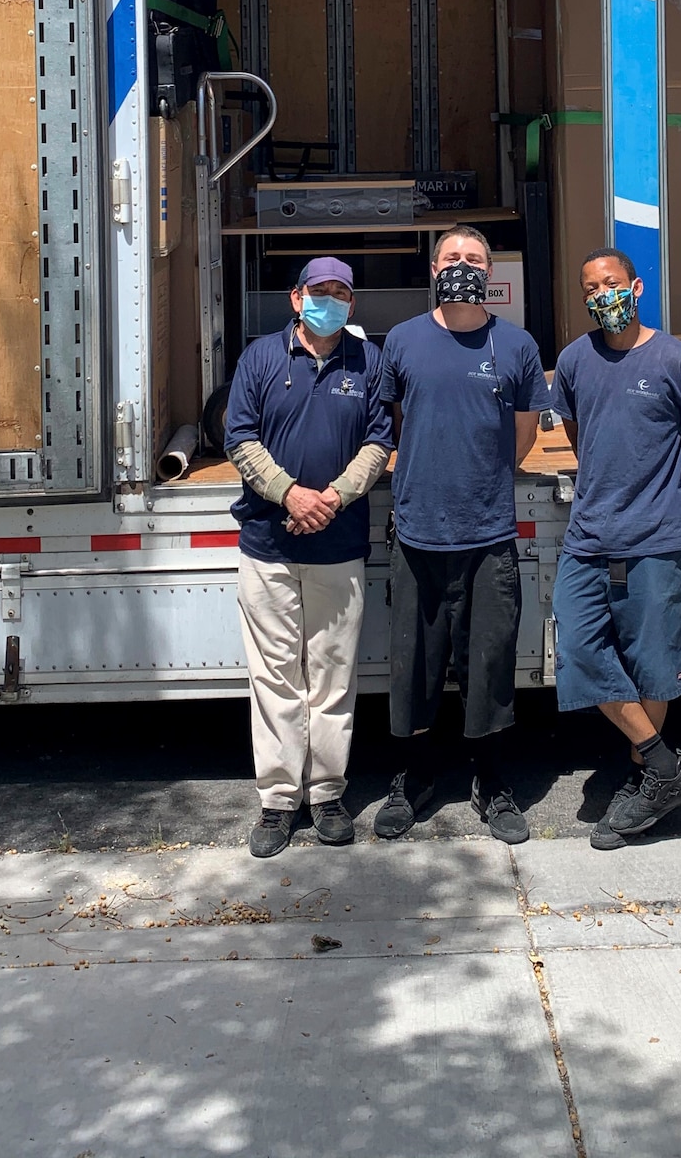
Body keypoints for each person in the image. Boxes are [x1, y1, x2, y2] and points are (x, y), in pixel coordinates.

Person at [374, 224, 548, 845]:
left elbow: (525, 435)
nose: (462, 267)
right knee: (414, 666)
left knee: (490, 664)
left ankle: (491, 780)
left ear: (490, 271)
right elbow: (396, 424)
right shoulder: (403, 341)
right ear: (434, 268)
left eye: (474, 259)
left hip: (489, 533)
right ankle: (414, 777)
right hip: (418, 533)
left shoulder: (519, 345)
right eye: (452, 258)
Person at [552, 249, 681, 850]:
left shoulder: (676, 359)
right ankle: (666, 767)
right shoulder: (574, 360)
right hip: (589, 534)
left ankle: (644, 787)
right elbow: (578, 433)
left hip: (657, 537)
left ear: (636, 286)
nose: (602, 295)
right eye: (591, 287)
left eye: (612, 284)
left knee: (653, 663)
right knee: (575, 644)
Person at [225, 256, 393, 858]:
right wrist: (290, 494)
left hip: (338, 546)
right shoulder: (262, 359)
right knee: (274, 676)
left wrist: (332, 499)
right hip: (268, 545)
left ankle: (325, 793)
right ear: (296, 299)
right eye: (320, 291)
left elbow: (380, 442)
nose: (331, 301)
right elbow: (239, 437)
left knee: (331, 676)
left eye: (342, 292)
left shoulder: (367, 361)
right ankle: (276, 801)